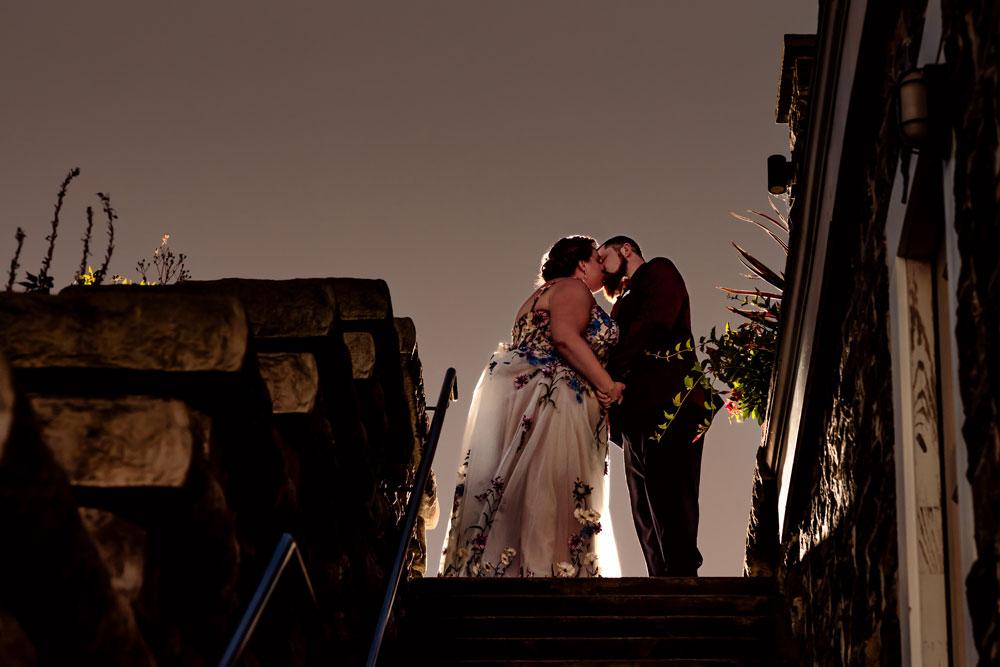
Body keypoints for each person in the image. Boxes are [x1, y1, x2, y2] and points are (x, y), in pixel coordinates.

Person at [439, 236, 624, 578]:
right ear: (581, 264)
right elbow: (565, 337)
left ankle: (508, 569)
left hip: (524, 399)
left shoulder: (535, 297)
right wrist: (607, 385)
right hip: (556, 402)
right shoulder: (574, 288)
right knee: (550, 488)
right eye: (597, 260)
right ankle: (547, 573)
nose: (602, 266)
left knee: (519, 488)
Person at [598, 236, 720, 577]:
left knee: (673, 498)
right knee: (645, 512)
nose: (599, 264)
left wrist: (609, 375)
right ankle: (661, 582)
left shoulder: (659, 271)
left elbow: (652, 325)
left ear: (625, 250)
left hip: (672, 403)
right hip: (635, 416)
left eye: (602, 256)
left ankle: (683, 585)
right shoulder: (621, 301)